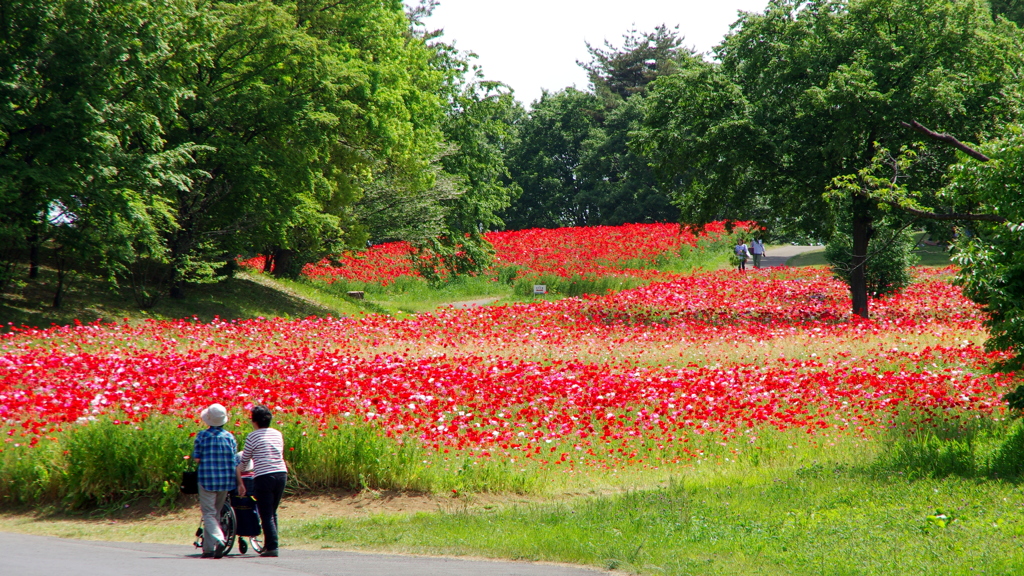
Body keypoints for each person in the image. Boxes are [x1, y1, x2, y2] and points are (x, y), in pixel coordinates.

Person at [237, 405, 288, 558]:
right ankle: (270, 543)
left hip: (264, 476)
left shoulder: (252, 436)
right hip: (281, 473)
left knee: (266, 513)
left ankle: (272, 547)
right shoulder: (277, 434)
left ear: (254, 421)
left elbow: (245, 460)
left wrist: (238, 472)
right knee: (272, 511)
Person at [191, 403, 241, 559]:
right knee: (215, 514)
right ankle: (208, 549)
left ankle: (219, 539)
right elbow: (235, 460)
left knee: (208, 513)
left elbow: (197, 458)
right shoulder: (230, 437)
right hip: (226, 480)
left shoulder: (202, 436)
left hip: (207, 480)